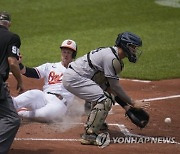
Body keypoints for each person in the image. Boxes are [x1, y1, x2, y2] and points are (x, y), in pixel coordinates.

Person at [62, 32, 150, 145]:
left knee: (104, 94)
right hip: (74, 78)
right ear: (125, 46)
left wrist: (127, 107)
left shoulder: (113, 56)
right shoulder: (112, 59)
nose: (134, 50)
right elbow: (115, 86)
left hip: (78, 77)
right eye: (133, 47)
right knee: (105, 99)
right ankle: (90, 134)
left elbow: (109, 87)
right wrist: (133, 102)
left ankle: (97, 122)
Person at [12, 39, 77, 122]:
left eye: (69, 53)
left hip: (60, 103)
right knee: (33, 93)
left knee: (45, 115)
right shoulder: (50, 66)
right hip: (44, 97)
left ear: (73, 55)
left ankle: (22, 113)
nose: (66, 55)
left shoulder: (77, 71)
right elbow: (30, 72)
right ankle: (6, 104)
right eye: (64, 52)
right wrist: (19, 64)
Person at [0, 11, 24, 153]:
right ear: (9, 23)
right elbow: (12, 62)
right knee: (11, 119)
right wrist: (20, 82)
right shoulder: (12, 37)